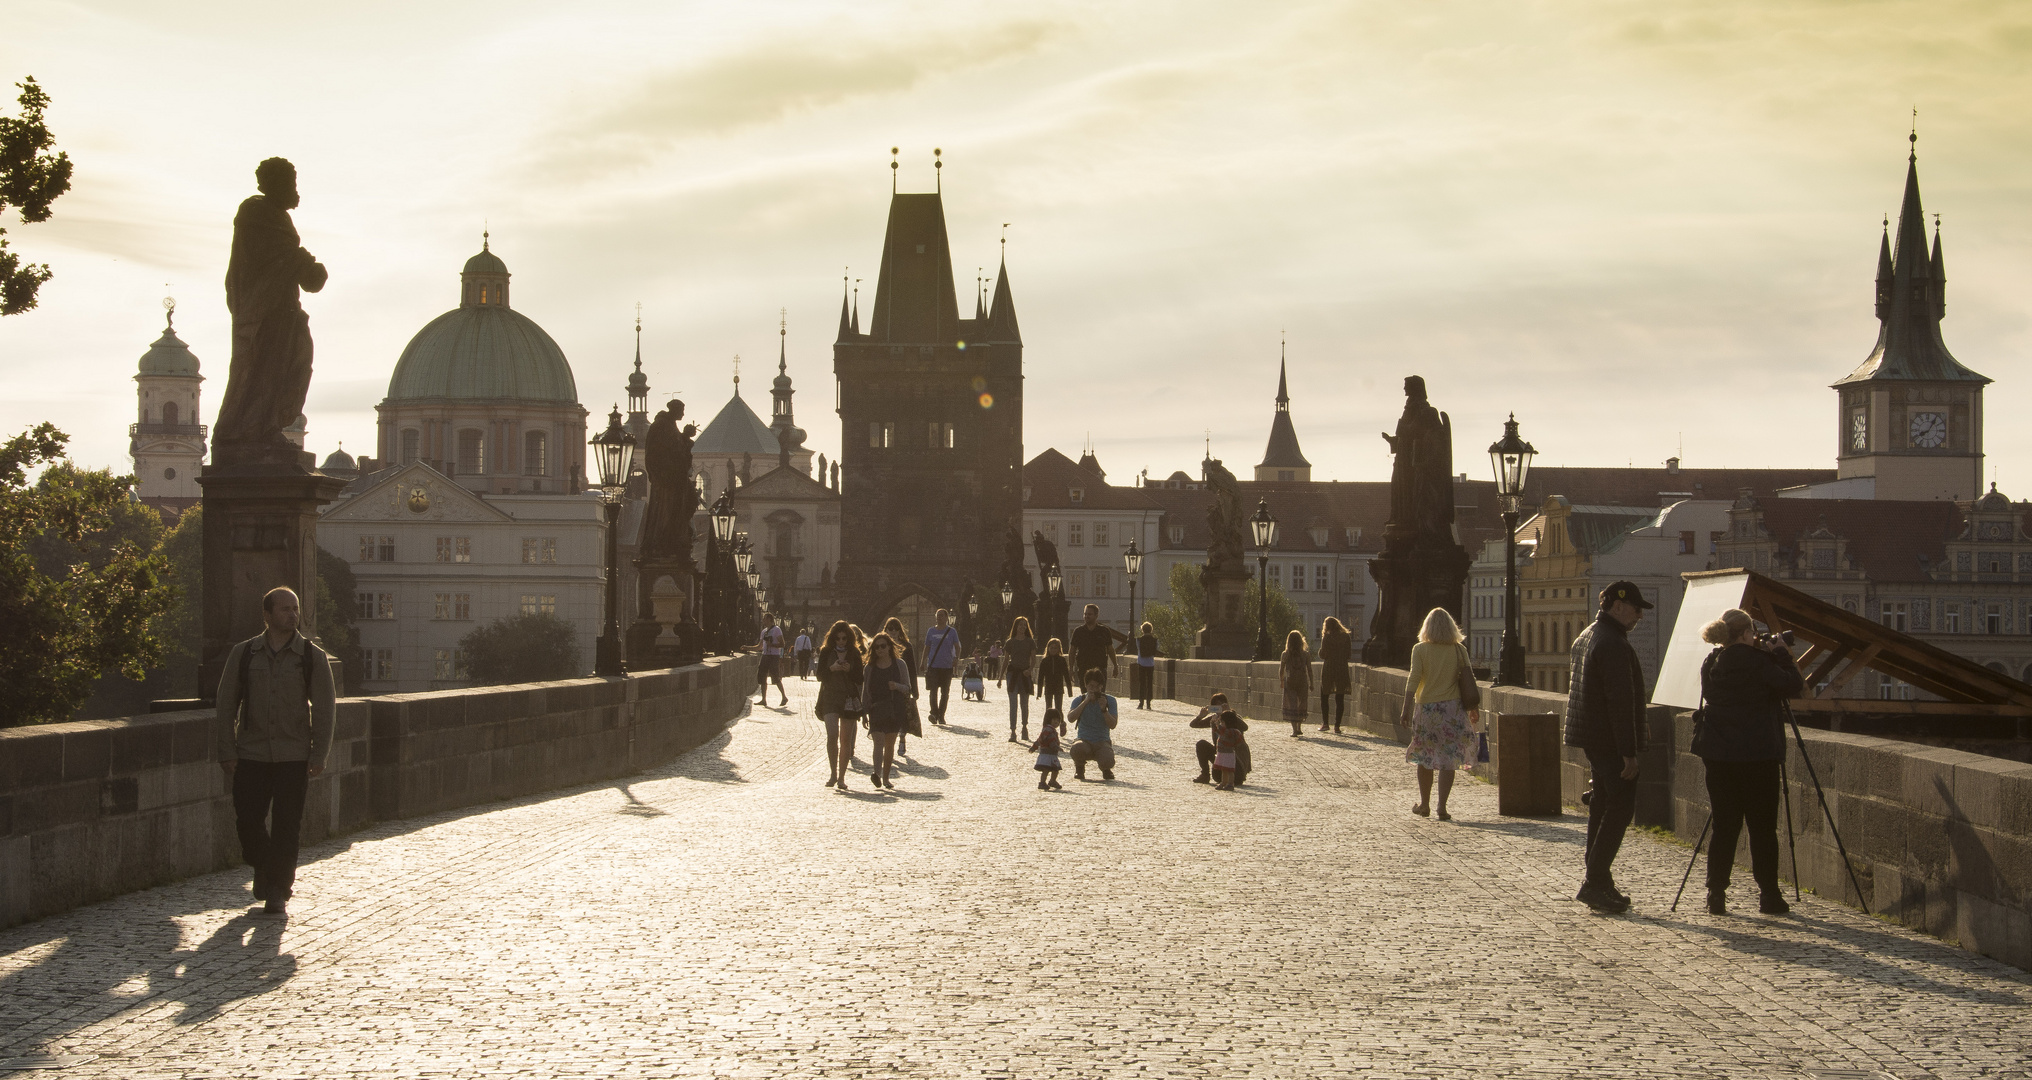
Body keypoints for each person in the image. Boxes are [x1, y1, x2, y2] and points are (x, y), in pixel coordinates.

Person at [215, 586, 337, 915]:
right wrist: (227, 749)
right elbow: (226, 705)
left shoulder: (312, 657)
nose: (293, 614)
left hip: (293, 755)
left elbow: (325, 710)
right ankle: (265, 867)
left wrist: (318, 754)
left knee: (287, 825)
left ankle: (279, 890)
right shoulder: (243, 654)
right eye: (284, 609)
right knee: (248, 822)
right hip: (251, 754)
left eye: (295, 608)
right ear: (267, 616)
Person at [1696, 607, 1804, 916]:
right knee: (1762, 828)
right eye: (1752, 634)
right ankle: (1769, 896)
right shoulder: (1759, 663)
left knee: (1724, 825)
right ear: (1746, 634)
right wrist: (1781, 654)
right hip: (1758, 756)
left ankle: (1716, 894)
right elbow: (1793, 686)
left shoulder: (1711, 663)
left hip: (1718, 755)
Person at [1565, 580, 1653, 914]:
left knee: (1602, 807)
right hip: (1609, 741)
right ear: (1617, 606)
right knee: (1619, 809)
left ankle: (1599, 880)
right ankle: (1594, 881)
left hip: (1592, 737)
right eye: (1635, 609)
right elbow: (1619, 701)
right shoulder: (1613, 643)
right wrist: (1628, 752)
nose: (1639, 616)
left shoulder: (1589, 634)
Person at [1399, 608, 1478, 822]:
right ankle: (1442, 807)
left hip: (1427, 710)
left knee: (1425, 757)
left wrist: (1405, 707)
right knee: (1447, 759)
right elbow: (1469, 680)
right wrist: (1474, 708)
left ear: (1427, 627)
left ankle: (1424, 804)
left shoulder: (1420, 649)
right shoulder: (1459, 649)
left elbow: (1413, 679)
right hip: (1452, 709)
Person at [862, 632, 916, 790]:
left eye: (883, 646)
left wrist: (896, 686)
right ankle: (877, 774)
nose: (879, 649)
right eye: (876, 647)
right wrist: (864, 712)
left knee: (890, 745)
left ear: (889, 647)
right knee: (878, 743)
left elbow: (908, 688)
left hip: (894, 708)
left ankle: (886, 778)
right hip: (876, 708)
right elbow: (865, 692)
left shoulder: (899, 665)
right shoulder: (869, 668)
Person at [815, 621, 865, 790]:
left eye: (844, 638)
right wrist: (832, 669)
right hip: (830, 698)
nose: (841, 641)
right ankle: (833, 774)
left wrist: (850, 669)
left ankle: (842, 777)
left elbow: (860, 679)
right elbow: (819, 675)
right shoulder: (826, 652)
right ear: (833, 638)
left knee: (845, 740)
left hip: (849, 698)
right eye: (838, 639)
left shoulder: (854, 653)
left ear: (849, 638)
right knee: (832, 736)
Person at [1066, 670, 1119, 781]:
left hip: (1102, 741)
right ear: (1086, 685)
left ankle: (1106, 769)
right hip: (1084, 740)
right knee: (1076, 748)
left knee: (1107, 759)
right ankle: (1079, 767)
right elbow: (1070, 718)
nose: (1094, 690)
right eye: (1091, 686)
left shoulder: (1110, 700)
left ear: (1101, 686)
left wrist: (1104, 710)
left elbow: (1113, 724)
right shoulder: (1079, 700)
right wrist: (1085, 702)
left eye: (1097, 687)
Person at [1189, 692, 1250, 785]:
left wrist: (1229, 712)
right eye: (1215, 706)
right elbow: (1193, 725)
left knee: (1230, 755)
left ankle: (1230, 778)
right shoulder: (1214, 719)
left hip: (1236, 761)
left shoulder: (1234, 717)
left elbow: (1245, 727)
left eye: (1221, 705)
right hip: (1221, 755)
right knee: (1201, 744)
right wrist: (1200, 716)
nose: (1218, 708)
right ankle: (1205, 774)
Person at [883, 617, 923, 754]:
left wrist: (914, 690)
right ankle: (888, 744)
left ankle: (902, 738)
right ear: (886, 630)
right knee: (887, 714)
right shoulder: (882, 644)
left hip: (901, 685)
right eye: (890, 629)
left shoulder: (907, 646)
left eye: (896, 629)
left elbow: (912, 669)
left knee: (901, 714)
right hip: (886, 686)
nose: (893, 631)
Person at [1001, 617, 1039, 742]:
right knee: (1013, 703)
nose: (1022, 627)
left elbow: (1033, 659)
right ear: (1016, 627)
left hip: (1024, 674)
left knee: (1024, 703)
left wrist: (1030, 669)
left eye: (1024, 625)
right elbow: (1006, 660)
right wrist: (1000, 677)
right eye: (1020, 625)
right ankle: (1013, 730)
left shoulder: (1030, 642)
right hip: (1013, 674)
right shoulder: (1010, 642)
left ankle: (1024, 727)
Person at [921, 609, 962, 725]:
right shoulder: (931, 631)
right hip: (933, 666)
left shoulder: (952, 631)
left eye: (942, 616)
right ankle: (934, 713)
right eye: (938, 616)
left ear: (946, 617)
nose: (939, 618)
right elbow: (927, 647)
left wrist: (956, 658)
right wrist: (922, 662)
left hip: (947, 666)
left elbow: (957, 647)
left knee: (945, 692)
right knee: (933, 691)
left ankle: (941, 715)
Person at [1068, 604, 1119, 683]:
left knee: (1100, 694)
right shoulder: (1078, 631)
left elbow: (1110, 649)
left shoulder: (1104, 631)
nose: (1086, 616)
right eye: (1085, 614)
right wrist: (1071, 668)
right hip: (1083, 668)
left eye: (1089, 614)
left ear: (1096, 615)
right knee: (1085, 694)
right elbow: (1072, 651)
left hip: (1100, 668)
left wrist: (1115, 665)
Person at [1318, 617, 1352, 734]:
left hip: (1329, 669)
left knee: (1324, 695)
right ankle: (1337, 726)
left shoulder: (1327, 637)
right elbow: (1349, 654)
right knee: (1340, 697)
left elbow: (1323, 654)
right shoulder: (1346, 637)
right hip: (1342, 668)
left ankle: (1325, 723)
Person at [1280, 629, 1311, 737]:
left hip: (1290, 681)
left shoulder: (1285, 654)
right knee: (1301, 704)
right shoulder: (1305, 654)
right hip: (1302, 681)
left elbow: (1281, 669)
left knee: (1292, 705)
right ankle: (1299, 727)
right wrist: (1311, 683)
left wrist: (1281, 681)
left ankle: (1294, 730)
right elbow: (1309, 670)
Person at [754, 613, 788, 707]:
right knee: (762, 677)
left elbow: (782, 644)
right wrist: (747, 648)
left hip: (773, 656)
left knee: (775, 677)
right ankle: (763, 699)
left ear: (769, 619)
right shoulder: (764, 631)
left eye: (764, 619)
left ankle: (784, 697)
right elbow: (759, 646)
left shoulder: (777, 630)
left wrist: (771, 645)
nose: (763, 620)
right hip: (765, 655)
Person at [1038, 637, 1074, 718]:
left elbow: (1066, 676)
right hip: (1048, 687)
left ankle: (1061, 724)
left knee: (1059, 709)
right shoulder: (1044, 661)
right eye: (1051, 648)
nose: (1053, 650)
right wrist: (1039, 692)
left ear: (1059, 649)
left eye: (1055, 648)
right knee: (1048, 708)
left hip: (1059, 687)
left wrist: (1069, 690)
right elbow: (1040, 677)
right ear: (1048, 648)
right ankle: (1047, 725)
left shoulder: (1062, 660)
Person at [1029, 711, 1065, 791]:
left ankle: (1051, 781)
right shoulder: (1049, 730)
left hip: (1050, 754)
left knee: (1054, 769)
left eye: (1058, 721)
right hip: (1048, 754)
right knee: (1047, 769)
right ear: (1049, 720)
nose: (1057, 722)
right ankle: (1044, 782)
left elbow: (1039, 740)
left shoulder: (1048, 729)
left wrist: (1034, 747)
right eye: (1054, 720)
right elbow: (1049, 741)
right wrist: (1057, 748)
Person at [1212, 711, 1244, 790]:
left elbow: (1222, 731)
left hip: (1228, 753)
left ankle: (1230, 783)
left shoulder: (1232, 731)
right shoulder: (1226, 731)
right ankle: (1224, 782)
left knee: (1229, 770)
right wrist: (1213, 723)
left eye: (1222, 722)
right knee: (1224, 769)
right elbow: (1216, 730)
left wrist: (1216, 722)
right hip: (1222, 752)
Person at [1133, 622, 1159, 709]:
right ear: (1151, 629)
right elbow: (1155, 651)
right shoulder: (1155, 640)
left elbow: (1138, 649)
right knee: (1150, 684)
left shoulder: (1139, 640)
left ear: (1142, 629)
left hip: (1141, 663)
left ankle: (1141, 703)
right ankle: (1149, 703)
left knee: (1142, 683)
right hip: (1150, 664)